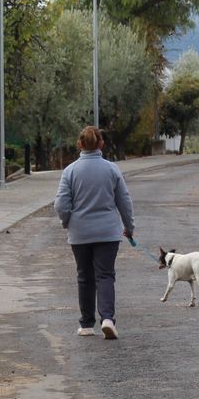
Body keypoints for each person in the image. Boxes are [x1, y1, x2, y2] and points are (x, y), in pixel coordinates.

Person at [54, 126, 135, 339]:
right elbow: (124, 202)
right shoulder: (112, 169)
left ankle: (86, 324)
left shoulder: (70, 171)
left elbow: (61, 204)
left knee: (84, 276)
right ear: (101, 144)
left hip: (79, 233)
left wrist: (67, 222)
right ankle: (107, 319)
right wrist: (129, 227)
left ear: (80, 144)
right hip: (108, 232)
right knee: (105, 275)